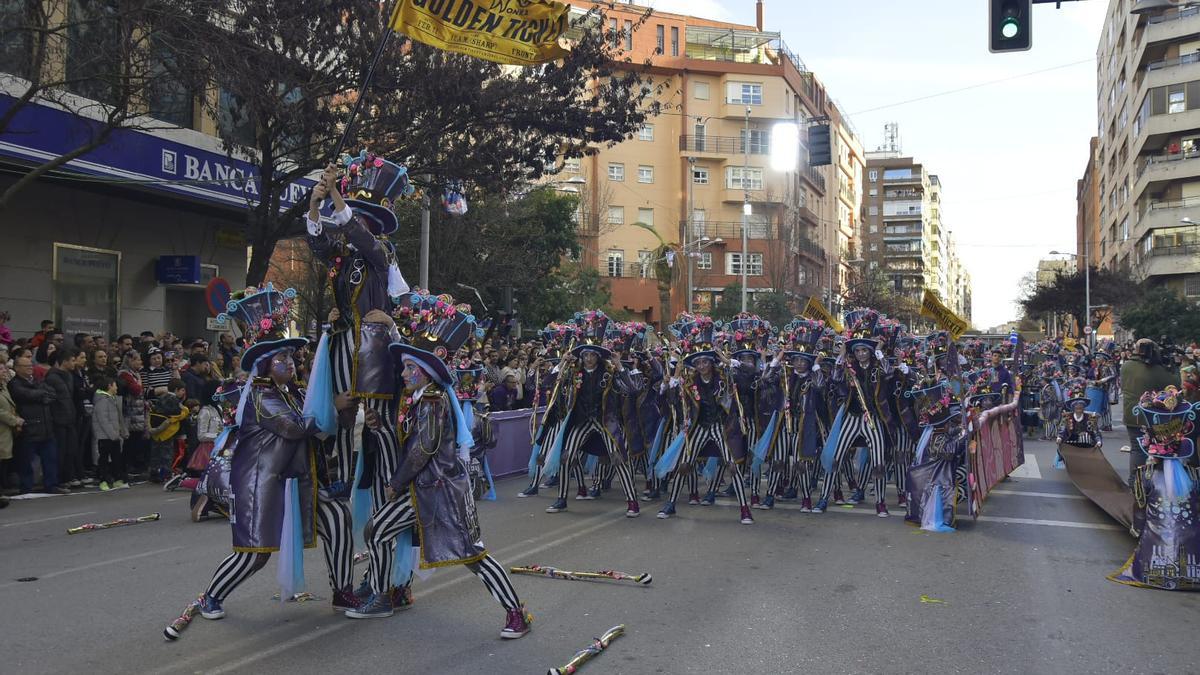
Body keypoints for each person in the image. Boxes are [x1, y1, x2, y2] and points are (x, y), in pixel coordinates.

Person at [350, 292, 533, 640]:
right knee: (378, 530)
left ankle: (516, 611)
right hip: (424, 492)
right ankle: (386, 593)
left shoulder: (432, 401)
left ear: (426, 373)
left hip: (441, 492)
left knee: (472, 555)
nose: (404, 374)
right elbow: (411, 441)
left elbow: (423, 448)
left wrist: (394, 483)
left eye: (409, 368)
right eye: (403, 367)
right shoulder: (420, 400)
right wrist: (379, 426)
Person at [1120, 339, 1178, 483]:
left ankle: (1135, 481)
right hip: (1151, 416)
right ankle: (1151, 483)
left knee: (1136, 448)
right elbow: (1174, 384)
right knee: (1155, 449)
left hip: (1131, 414)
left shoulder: (1126, 366)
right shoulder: (1156, 369)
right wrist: (1173, 367)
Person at [8, 353, 66, 494]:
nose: (29, 368)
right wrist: (41, 395)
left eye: (30, 365)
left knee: (50, 459)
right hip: (29, 427)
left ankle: (51, 485)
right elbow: (25, 395)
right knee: (26, 461)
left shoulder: (38, 380)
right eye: (25, 366)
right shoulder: (14, 384)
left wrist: (38, 395)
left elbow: (52, 394)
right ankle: (26, 487)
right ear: (16, 368)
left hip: (47, 427)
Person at [44, 349, 83, 488]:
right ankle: (59, 479)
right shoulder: (52, 377)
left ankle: (69, 476)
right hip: (59, 419)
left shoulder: (69, 375)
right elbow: (51, 399)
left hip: (70, 417)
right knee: (60, 451)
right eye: (72, 360)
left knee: (71, 450)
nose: (74, 363)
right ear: (64, 361)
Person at [91, 375, 127, 491]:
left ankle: (117, 480)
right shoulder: (102, 401)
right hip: (104, 436)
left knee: (116, 459)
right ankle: (103, 480)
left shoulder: (113, 399)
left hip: (114, 436)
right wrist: (113, 434)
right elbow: (103, 420)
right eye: (115, 385)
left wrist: (122, 431)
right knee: (104, 459)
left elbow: (118, 418)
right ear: (109, 386)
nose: (116, 387)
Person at [0, 360, 20, 502]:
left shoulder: (4, 386)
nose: (5, 372)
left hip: (6, 430)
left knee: (5, 459)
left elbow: (11, 406)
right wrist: (14, 420)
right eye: (1, 370)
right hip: (2, 428)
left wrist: (17, 418)